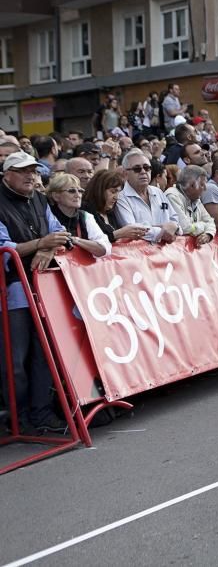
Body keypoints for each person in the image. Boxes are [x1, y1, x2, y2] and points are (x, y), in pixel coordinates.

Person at [0, 152, 75, 433]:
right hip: (11, 291)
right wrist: (42, 242)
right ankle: (19, 419)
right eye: (22, 171)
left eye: (33, 170)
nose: (30, 176)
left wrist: (45, 247)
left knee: (44, 355)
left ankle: (41, 413)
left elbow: (60, 235)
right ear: (6, 175)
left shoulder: (40, 199)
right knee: (15, 361)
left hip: (42, 286)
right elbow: (4, 251)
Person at [115, 149, 181, 244]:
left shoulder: (158, 192)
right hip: (140, 255)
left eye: (147, 168)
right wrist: (163, 231)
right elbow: (133, 230)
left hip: (166, 253)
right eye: (137, 169)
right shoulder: (121, 198)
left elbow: (174, 219)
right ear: (126, 174)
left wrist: (175, 227)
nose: (143, 172)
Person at [46, 173, 112, 258]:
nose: (78, 195)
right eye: (71, 191)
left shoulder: (86, 216)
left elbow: (105, 249)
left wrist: (76, 240)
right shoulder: (46, 215)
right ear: (56, 196)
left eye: (80, 191)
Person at [81, 169, 147, 243]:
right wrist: (120, 234)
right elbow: (91, 242)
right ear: (99, 190)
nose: (116, 197)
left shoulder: (110, 212)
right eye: (113, 192)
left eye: (118, 192)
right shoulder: (84, 210)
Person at [165, 165, 216, 246]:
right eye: (202, 185)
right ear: (192, 185)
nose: (205, 189)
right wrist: (203, 225)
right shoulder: (172, 196)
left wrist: (208, 234)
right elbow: (185, 228)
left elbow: (210, 221)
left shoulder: (196, 199)